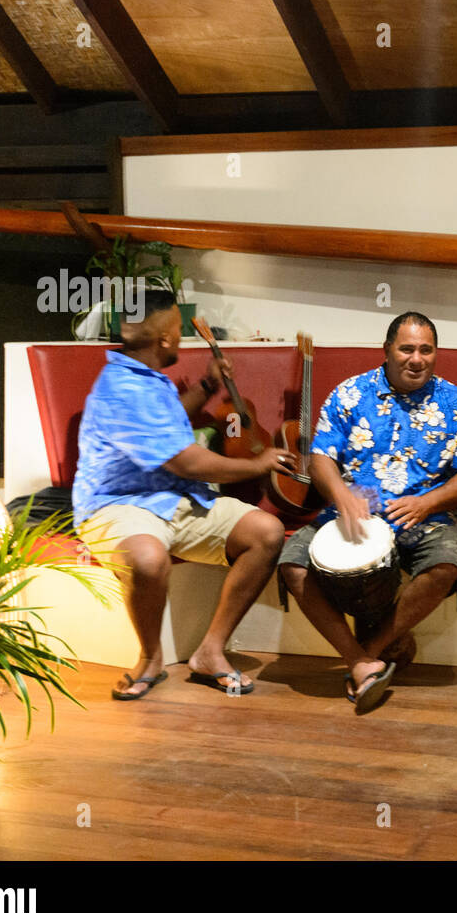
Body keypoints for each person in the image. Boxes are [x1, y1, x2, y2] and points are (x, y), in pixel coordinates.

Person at [73, 289, 295, 701]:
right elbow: (187, 462)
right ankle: (151, 659)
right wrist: (258, 464)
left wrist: (210, 384)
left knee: (265, 532)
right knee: (147, 557)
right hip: (116, 504)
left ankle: (210, 652)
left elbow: (171, 420)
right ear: (166, 340)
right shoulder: (123, 388)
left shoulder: (143, 375)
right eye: (178, 330)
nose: (181, 338)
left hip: (174, 499)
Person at [277, 312, 457, 711]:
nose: (416, 358)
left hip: (424, 517)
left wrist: (429, 502)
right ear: (387, 350)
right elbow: (321, 457)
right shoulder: (350, 394)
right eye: (407, 349)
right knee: (293, 563)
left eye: (426, 350)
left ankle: (368, 651)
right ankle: (360, 661)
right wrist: (340, 494)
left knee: (445, 565)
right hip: (353, 514)